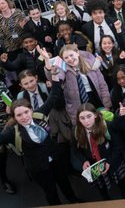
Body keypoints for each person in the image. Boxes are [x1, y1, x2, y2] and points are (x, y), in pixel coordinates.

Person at [0, 74, 80, 205]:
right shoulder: (11, 132)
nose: (24, 117)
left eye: (26, 112)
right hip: (39, 169)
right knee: (50, 191)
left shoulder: (40, 114)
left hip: (56, 160)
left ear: (31, 110)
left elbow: (53, 97)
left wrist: (54, 75)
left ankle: (74, 201)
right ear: (14, 116)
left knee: (65, 184)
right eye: (19, 115)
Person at [41, 44, 112, 125]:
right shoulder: (63, 68)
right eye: (66, 58)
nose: (70, 59)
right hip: (77, 104)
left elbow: (103, 86)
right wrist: (47, 61)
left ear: (77, 53)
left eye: (71, 55)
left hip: (95, 99)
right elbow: (54, 78)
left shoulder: (91, 64)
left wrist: (107, 106)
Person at [73, 103, 125, 199]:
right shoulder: (76, 132)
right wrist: (83, 161)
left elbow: (118, 146)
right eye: (82, 118)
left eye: (89, 116)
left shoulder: (106, 126)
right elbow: (76, 150)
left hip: (112, 159)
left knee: (120, 178)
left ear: (95, 115)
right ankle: (106, 198)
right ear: (78, 119)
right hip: (94, 164)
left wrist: (109, 162)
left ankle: (124, 192)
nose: (86, 121)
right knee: (100, 184)